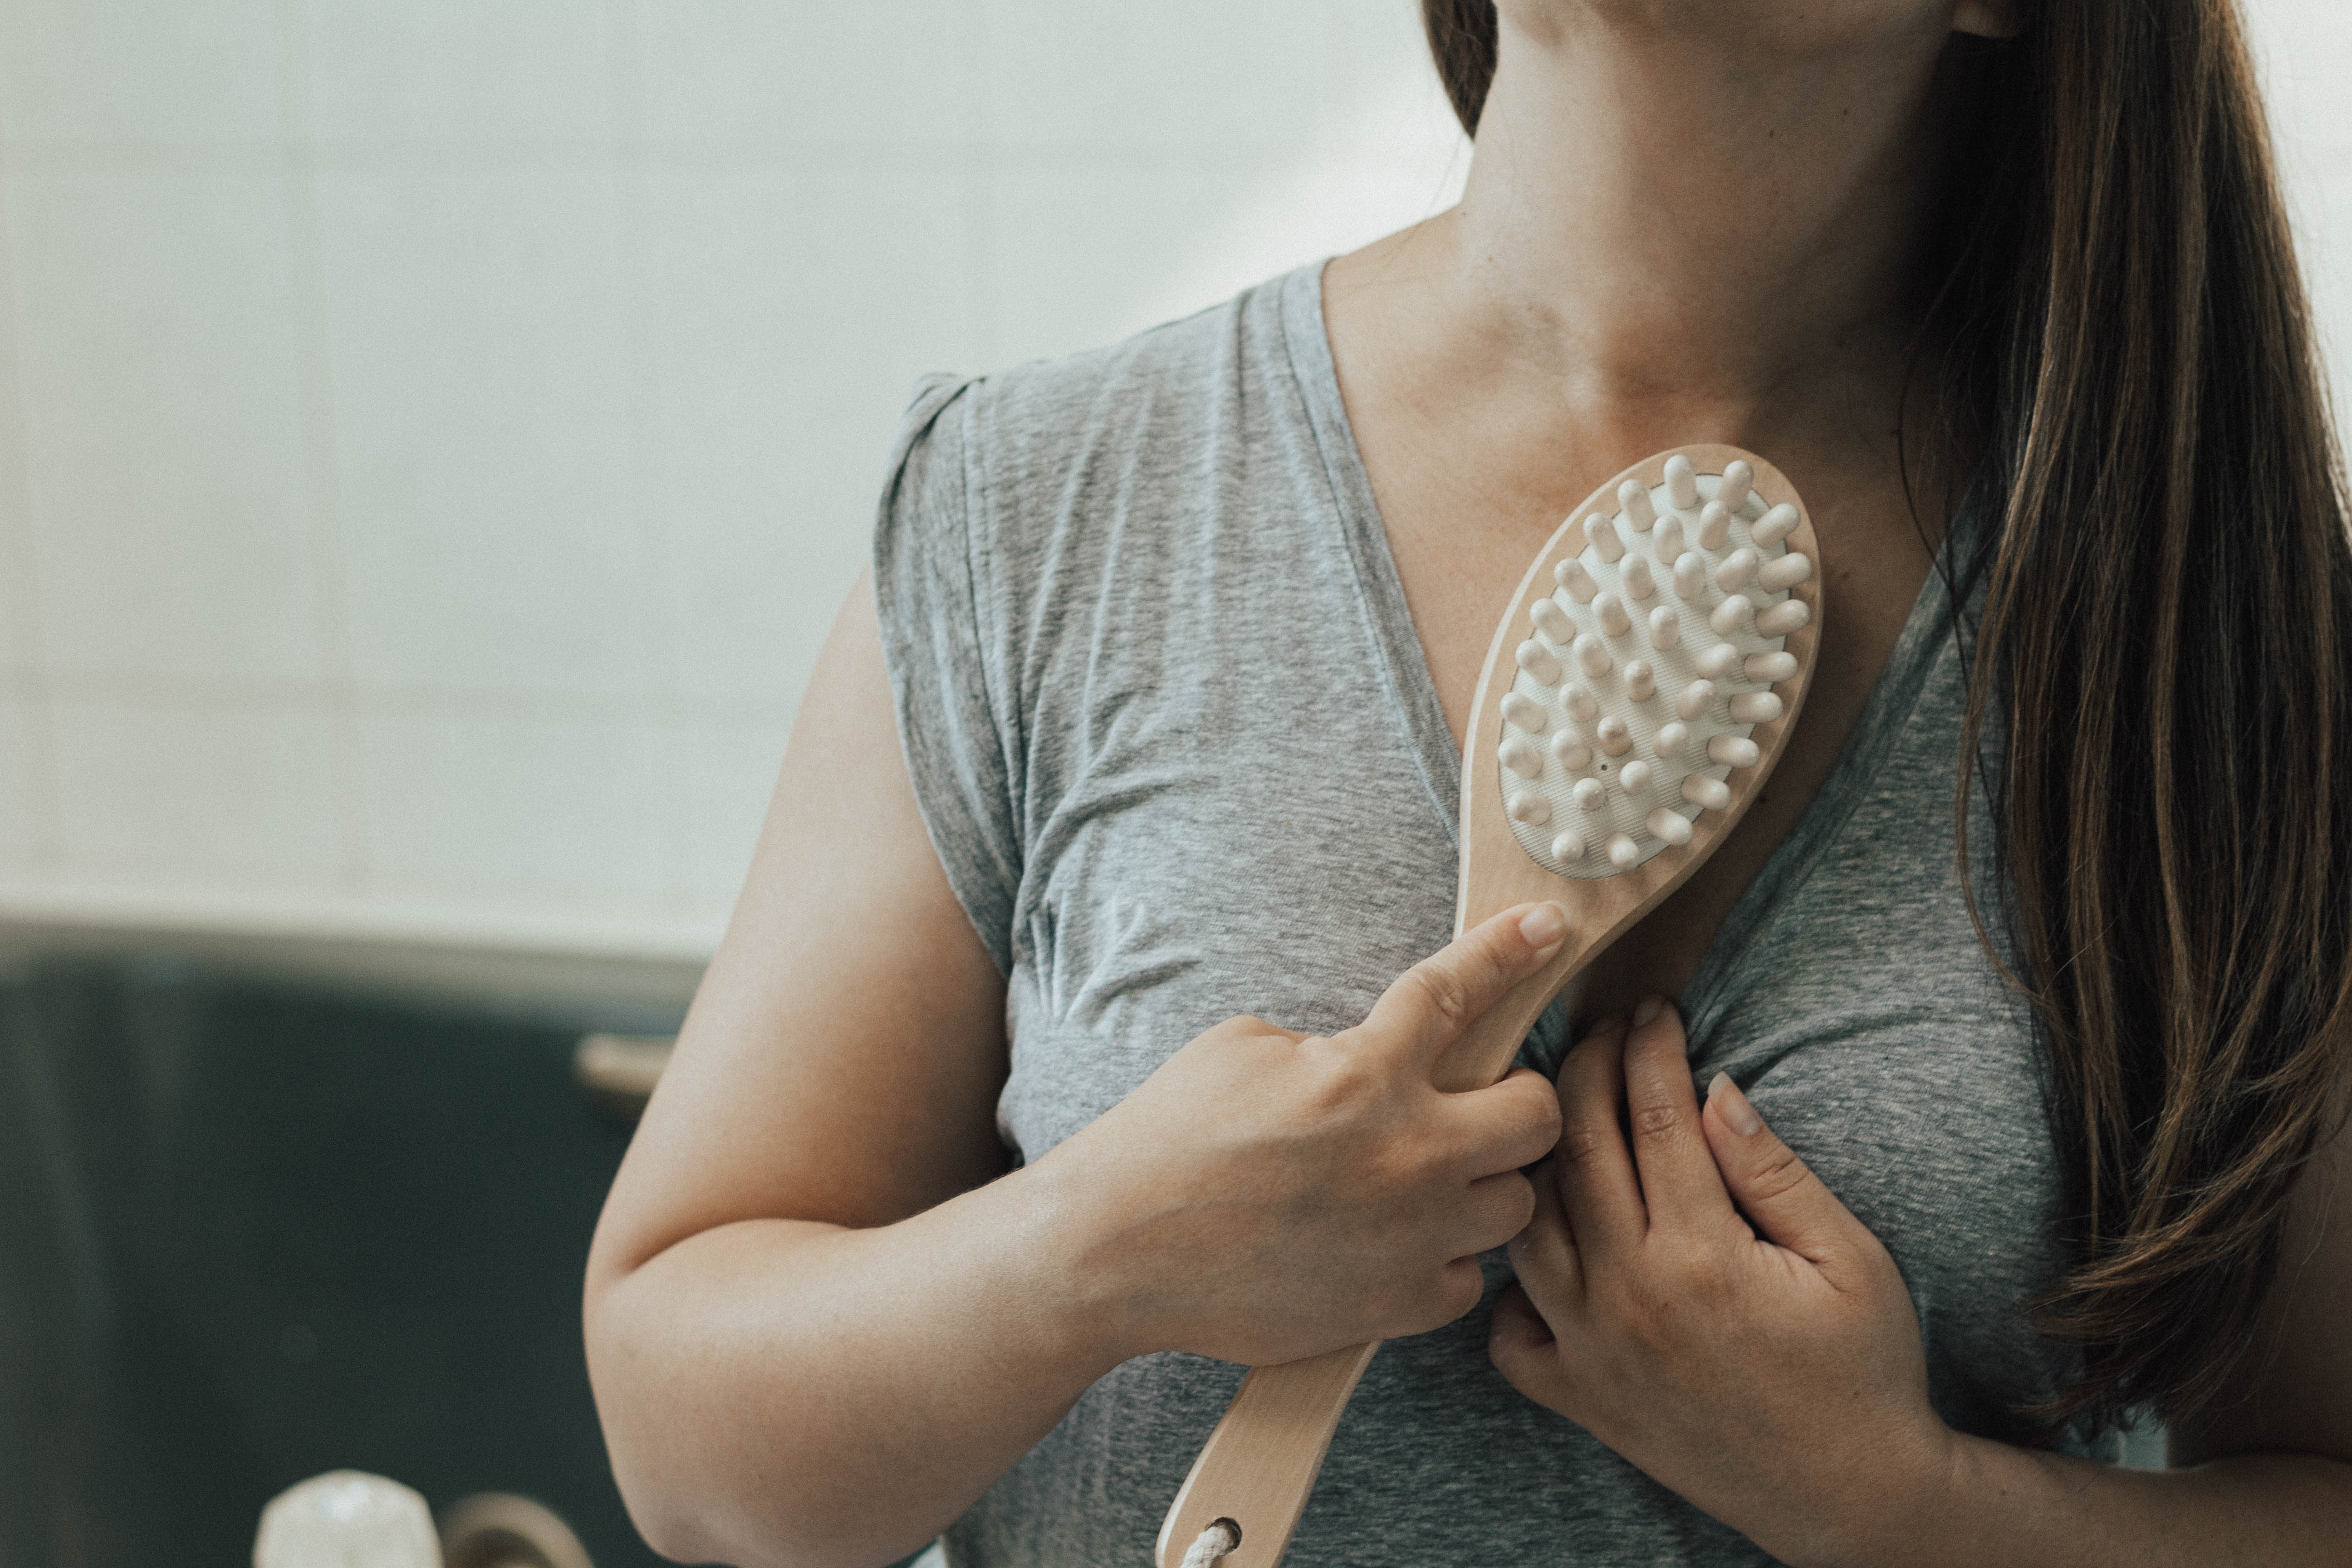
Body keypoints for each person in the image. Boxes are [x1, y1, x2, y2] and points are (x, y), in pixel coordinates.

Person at [582, 2, 2352, 1564]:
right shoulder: (1045, 507)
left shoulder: (2219, 648)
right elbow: (687, 1450)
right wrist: (1096, 1254)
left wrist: (1893, 1510)